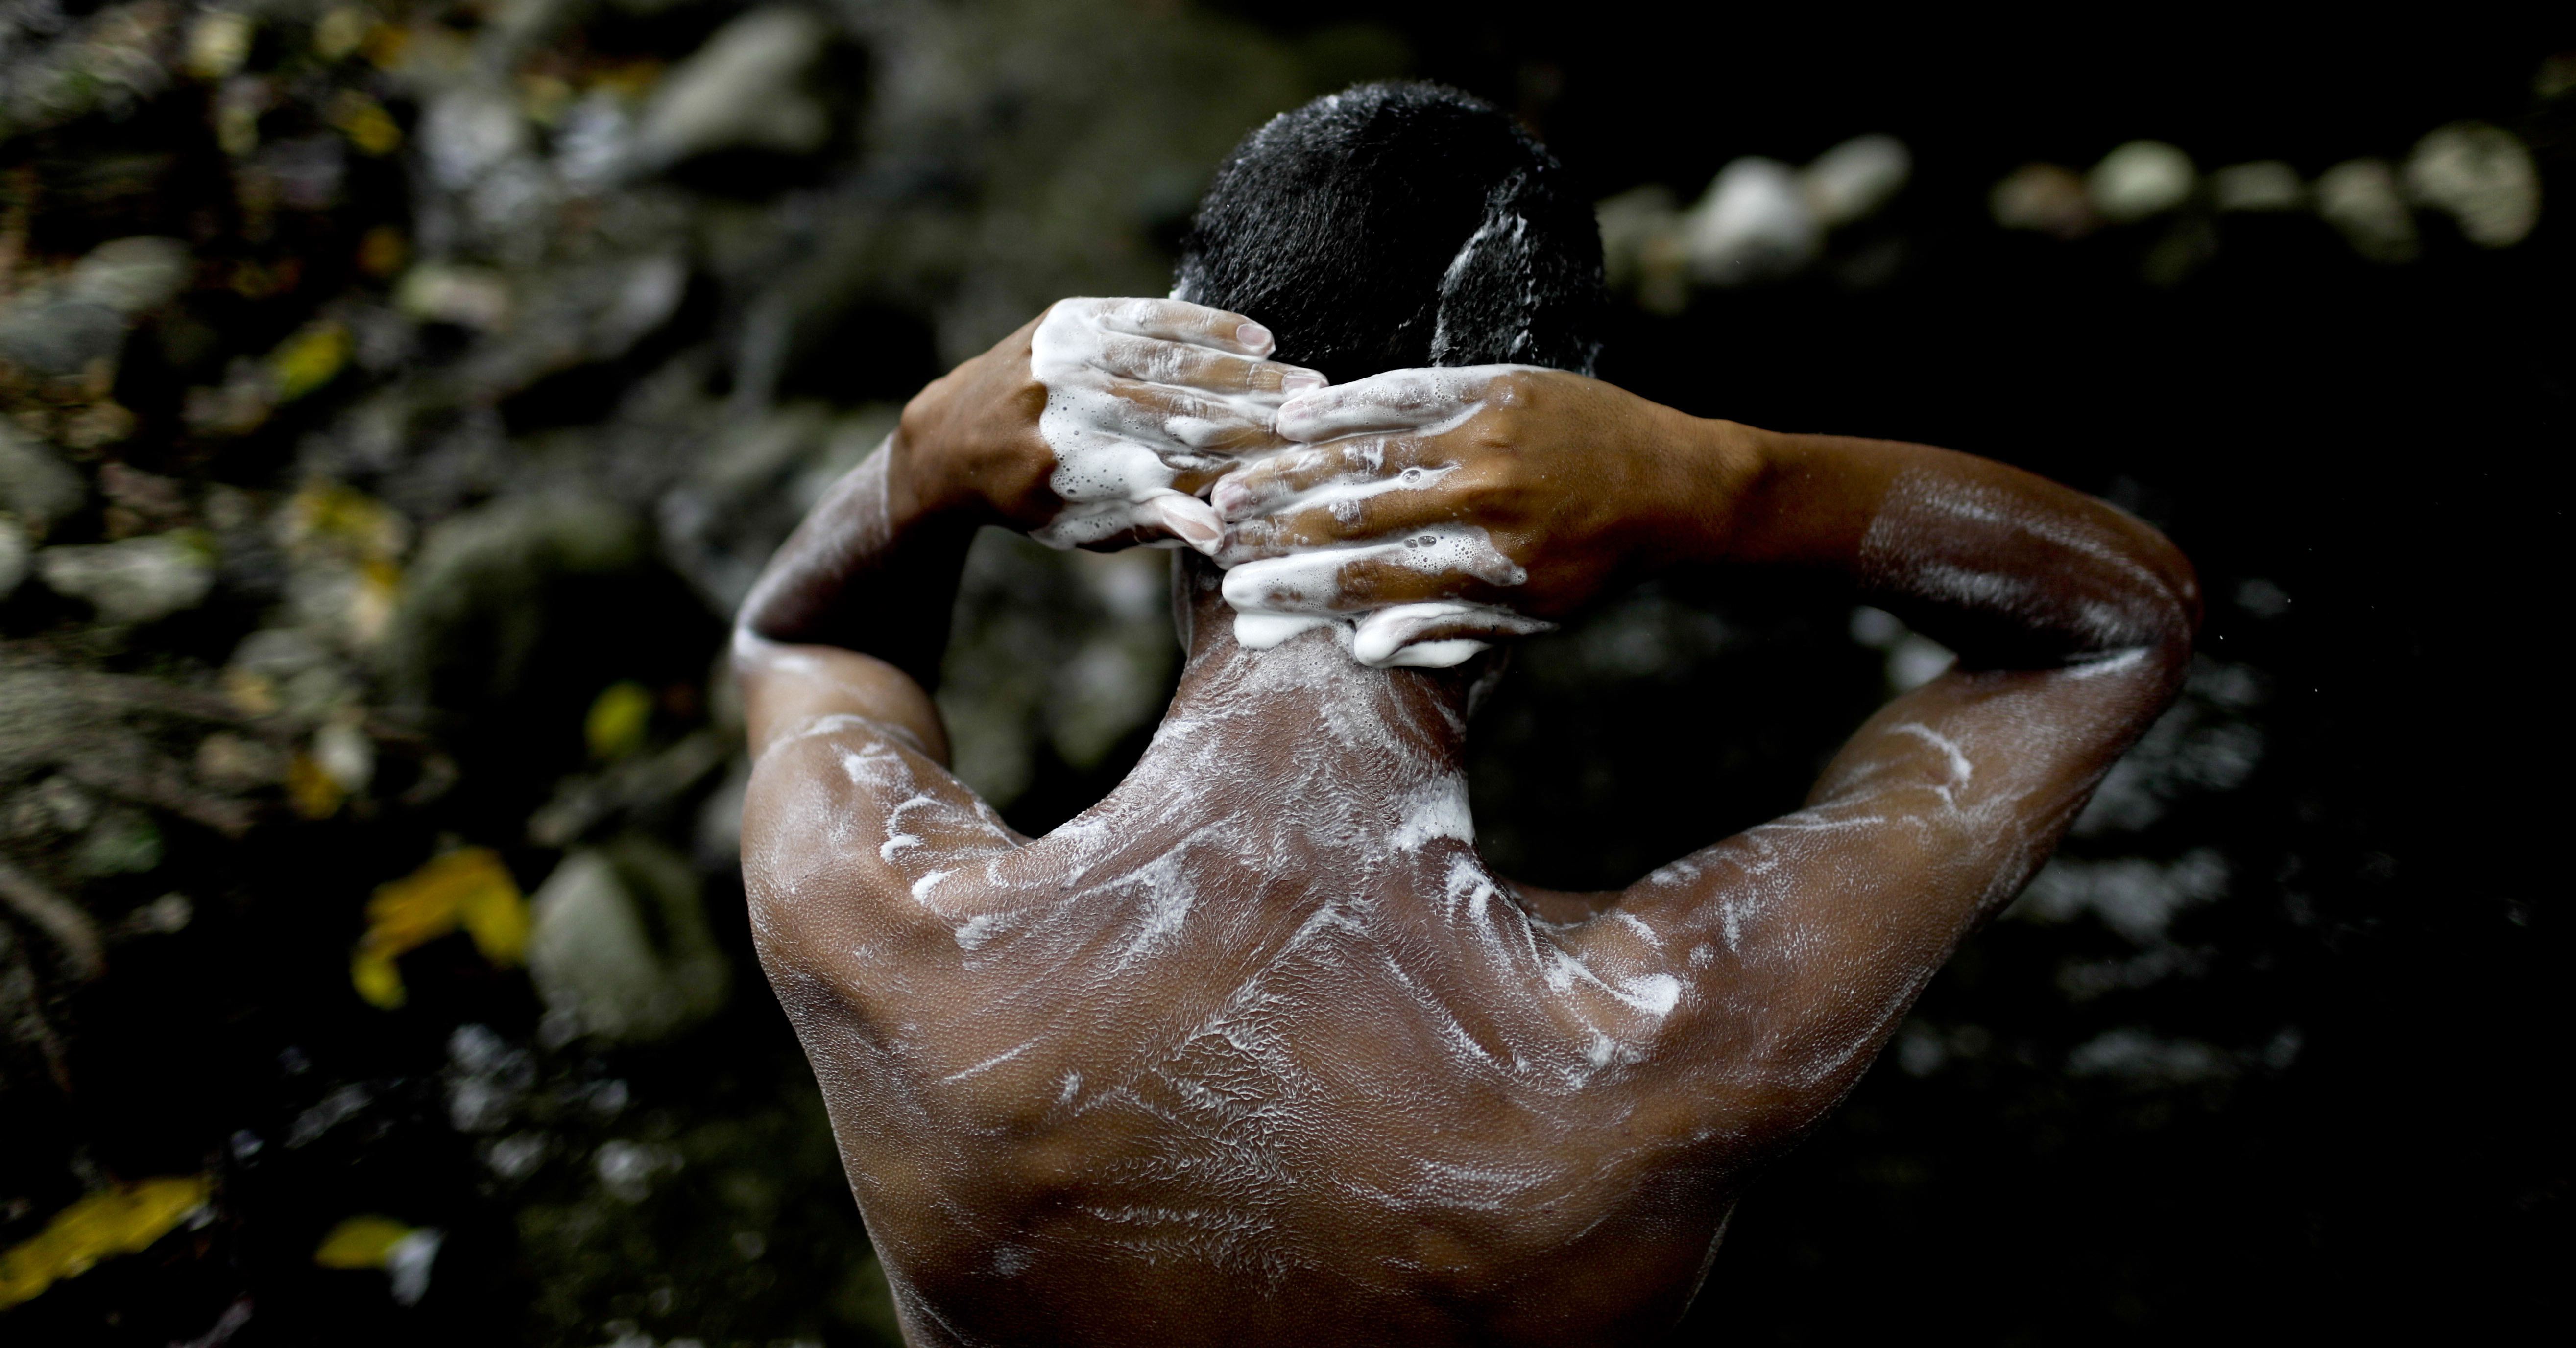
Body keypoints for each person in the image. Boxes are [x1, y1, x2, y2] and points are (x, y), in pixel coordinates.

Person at [733, 83, 2199, 1348]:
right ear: (1569, 495)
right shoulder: (1665, 1048)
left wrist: (931, 453)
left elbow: (792, 631)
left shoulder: (885, 931)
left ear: (1148, 476)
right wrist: (1718, 485)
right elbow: (2114, 631)